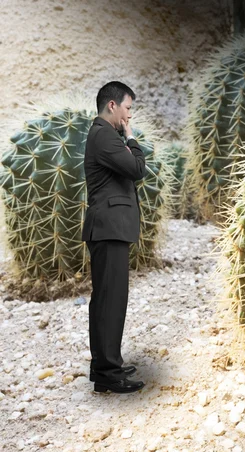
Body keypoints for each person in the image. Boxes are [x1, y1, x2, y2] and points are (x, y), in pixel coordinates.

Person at [82, 81, 146, 394]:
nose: (128, 115)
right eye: (127, 107)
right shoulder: (104, 134)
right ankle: (108, 372)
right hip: (108, 228)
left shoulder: (105, 135)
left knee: (110, 298)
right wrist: (131, 138)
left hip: (110, 228)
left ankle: (107, 364)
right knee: (109, 300)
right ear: (112, 106)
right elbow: (136, 168)